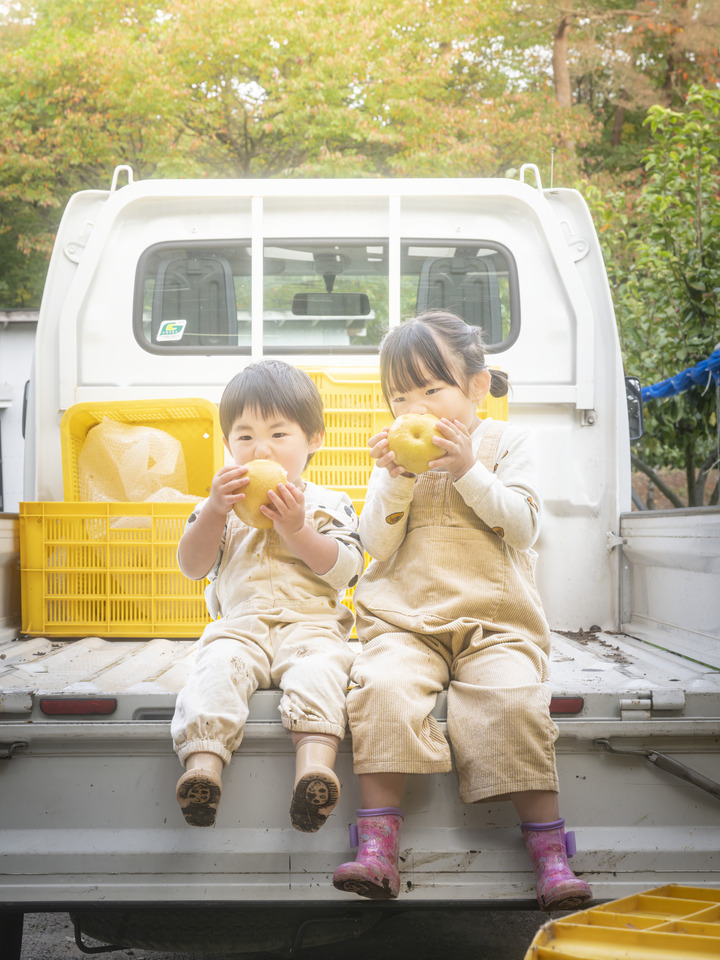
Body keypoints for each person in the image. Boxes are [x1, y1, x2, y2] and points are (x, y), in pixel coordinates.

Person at [332, 311, 592, 910]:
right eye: (401, 396)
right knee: (381, 689)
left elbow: (523, 528)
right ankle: (376, 845)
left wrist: (470, 468)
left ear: (476, 387)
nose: (414, 408)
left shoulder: (506, 445)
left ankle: (549, 854)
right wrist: (395, 480)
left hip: (493, 623)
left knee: (512, 698)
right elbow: (376, 543)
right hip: (405, 620)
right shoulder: (397, 462)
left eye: (431, 389)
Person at [171, 360, 364, 832]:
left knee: (321, 673)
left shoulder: (328, 502)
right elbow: (192, 566)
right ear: (227, 444)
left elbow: (345, 570)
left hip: (311, 625)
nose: (261, 448)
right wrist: (215, 510)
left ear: (313, 439)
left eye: (279, 435)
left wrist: (297, 528)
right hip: (240, 627)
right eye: (245, 437)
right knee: (213, 672)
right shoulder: (217, 504)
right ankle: (203, 770)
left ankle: (315, 770)